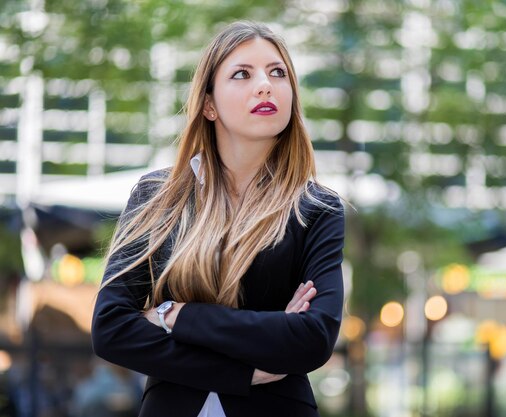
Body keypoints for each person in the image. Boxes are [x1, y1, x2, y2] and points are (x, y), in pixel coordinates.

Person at [91, 20, 345, 417]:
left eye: (277, 73)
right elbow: (111, 330)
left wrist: (175, 314)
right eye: (242, 74)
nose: (265, 85)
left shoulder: (317, 207)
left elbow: (312, 338)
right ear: (208, 104)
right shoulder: (158, 196)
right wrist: (243, 368)